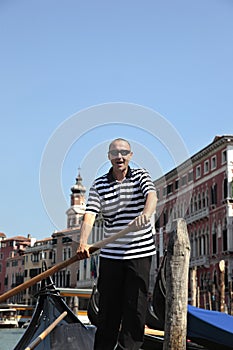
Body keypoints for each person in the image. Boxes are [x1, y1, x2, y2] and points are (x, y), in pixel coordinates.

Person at [77, 138, 158, 350]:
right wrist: (83, 242)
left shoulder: (141, 175)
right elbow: (90, 215)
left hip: (139, 253)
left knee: (135, 309)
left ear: (130, 156)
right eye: (114, 153)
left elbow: (151, 196)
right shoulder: (99, 185)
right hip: (111, 255)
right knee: (107, 311)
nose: (119, 156)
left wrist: (146, 214)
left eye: (123, 152)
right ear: (109, 157)